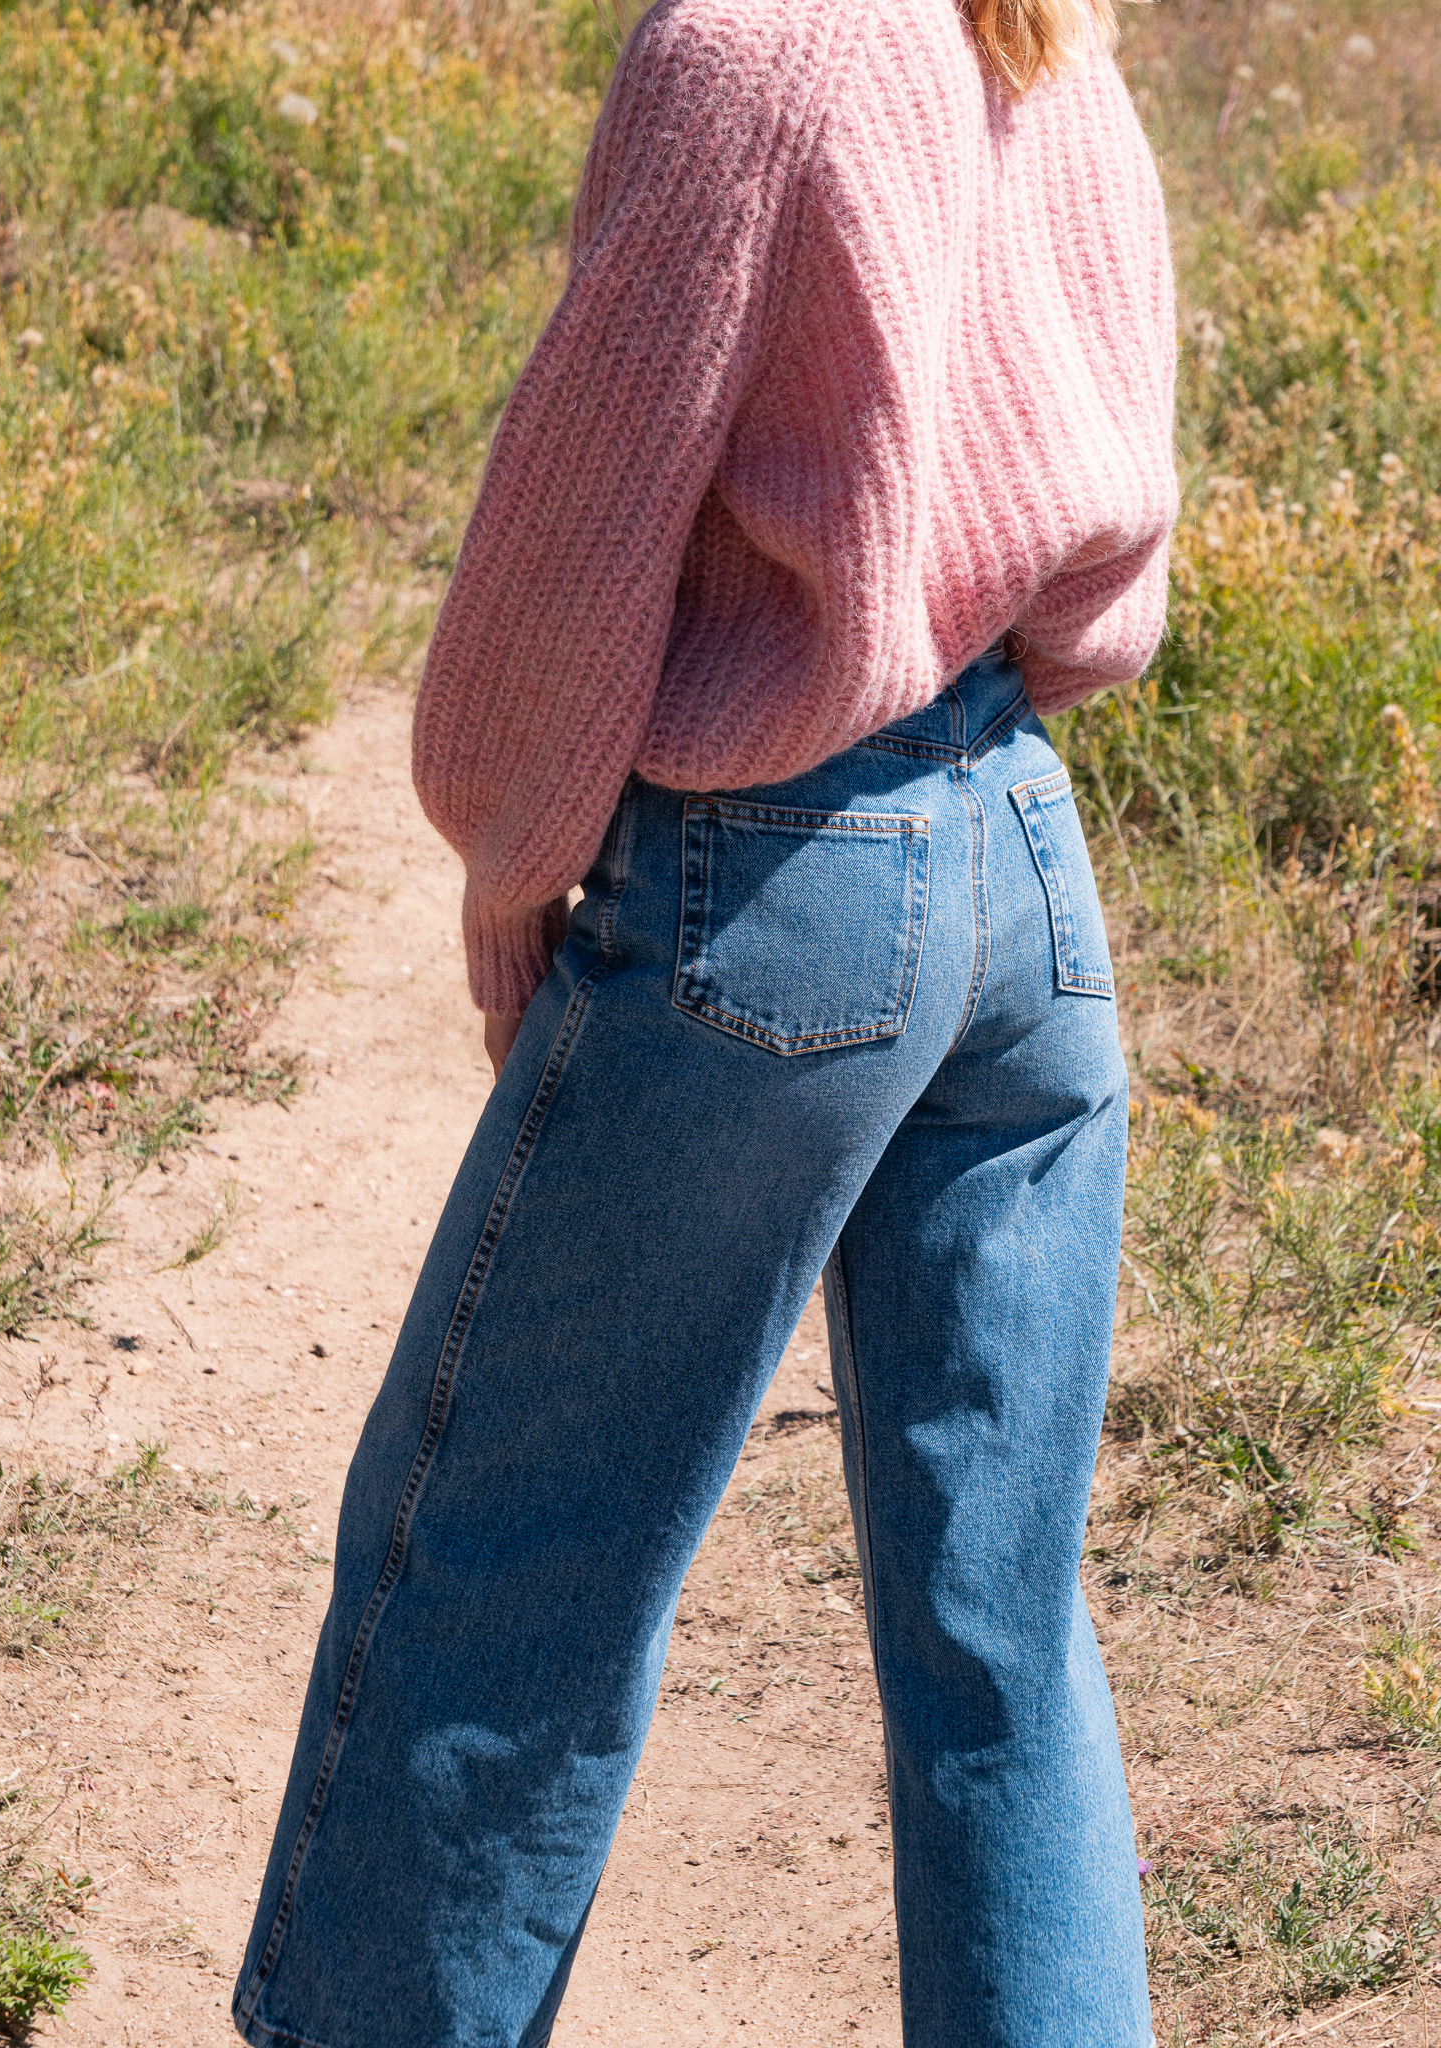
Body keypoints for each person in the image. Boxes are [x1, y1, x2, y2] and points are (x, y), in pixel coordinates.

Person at [233, 0, 1177, 2038]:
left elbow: (566, 558)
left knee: (495, 1573)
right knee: (999, 1627)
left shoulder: (745, 48)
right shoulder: (1041, 24)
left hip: (778, 883)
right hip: (1022, 847)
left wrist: (514, 879)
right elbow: (1113, 554)